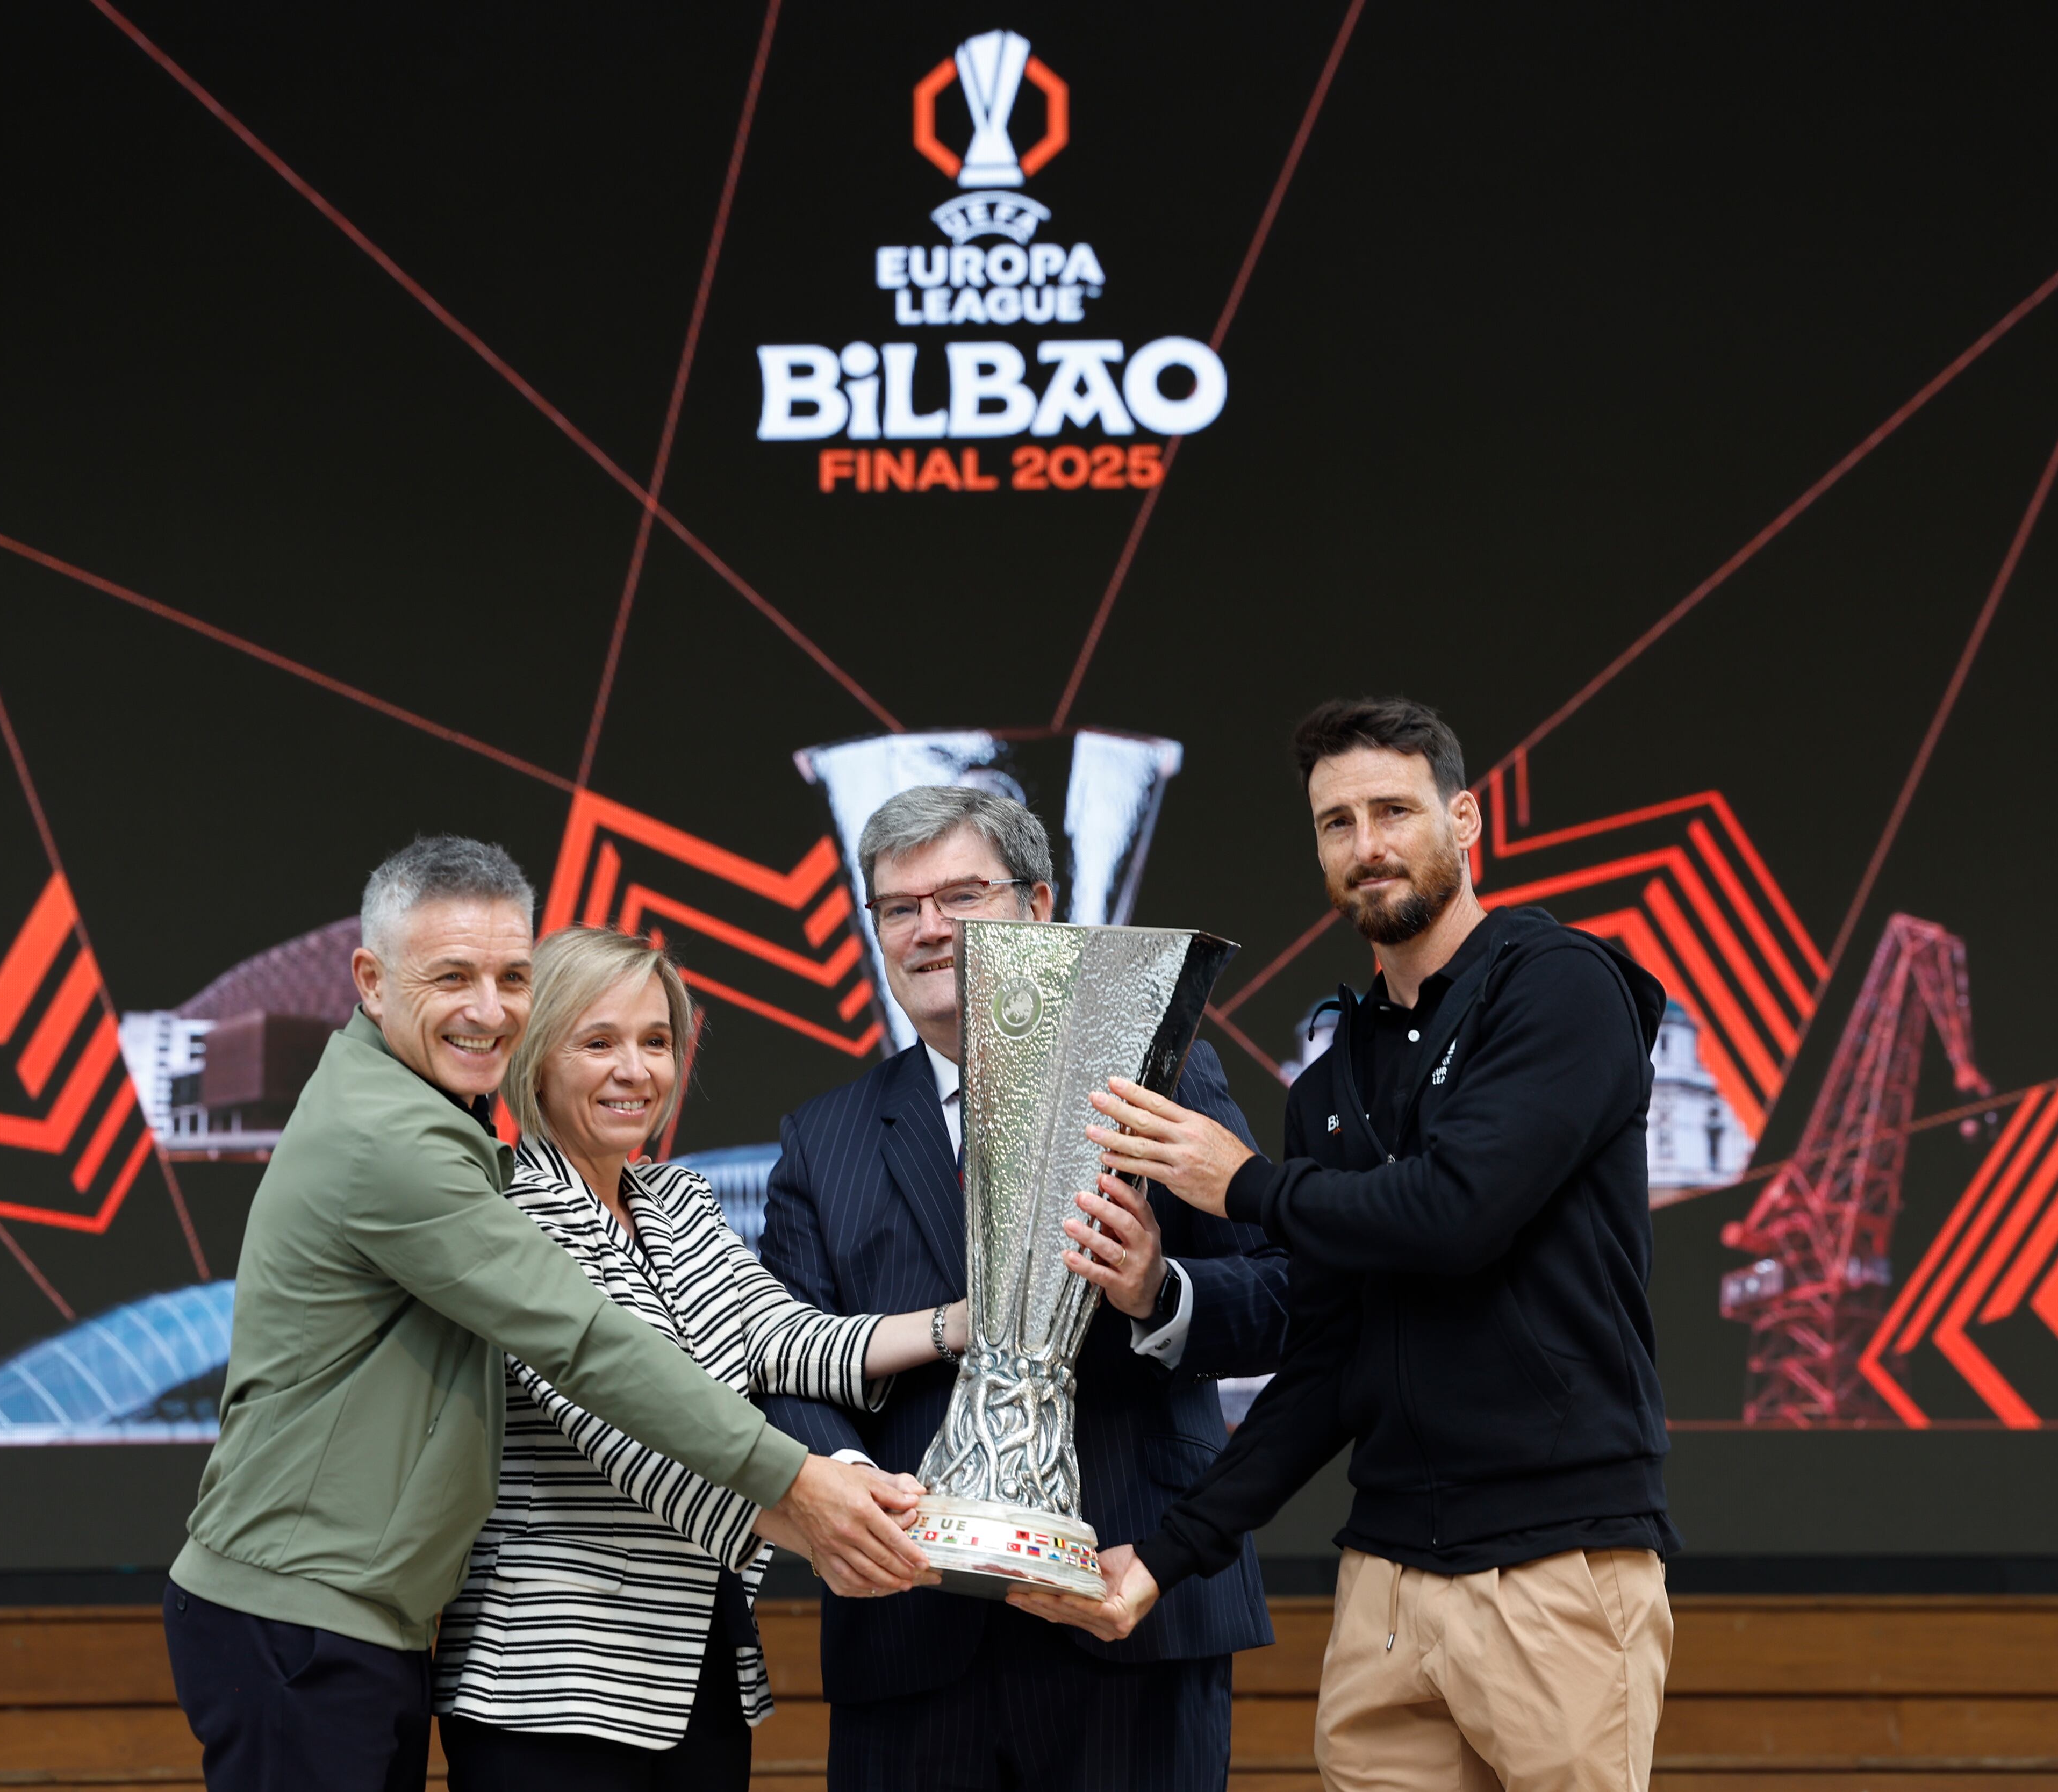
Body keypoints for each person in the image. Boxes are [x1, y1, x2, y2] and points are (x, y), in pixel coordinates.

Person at [162, 837, 932, 1792]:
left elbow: (771, 1333)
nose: (490, 1010)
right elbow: (587, 1346)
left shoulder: (442, 1115)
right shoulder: (397, 1139)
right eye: (452, 976)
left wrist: (957, 1323)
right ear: (370, 981)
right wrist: (804, 1494)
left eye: (511, 977)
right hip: (321, 1618)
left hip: (356, 1616)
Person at [1013, 698, 1680, 1792]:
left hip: (1558, 1560)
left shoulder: (1560, 984)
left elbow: (1458, 1213)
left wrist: (1243, 1184)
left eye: (1393, 809)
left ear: (1464, 819)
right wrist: (1166, 1557)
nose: (1367, 843)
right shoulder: (1327, 1086)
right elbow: (1324, 1366)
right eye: (1337, 822)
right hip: (1385, 1580)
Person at [761, 786, 1293, 1791]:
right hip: (908, 1625)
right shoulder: (823, 1137)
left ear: (1038, 905)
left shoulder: (1162, 1075)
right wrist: (852, 1493)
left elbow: (1282, 1297)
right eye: (899, 907)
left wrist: (1158, 1290)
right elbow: (783, 1356)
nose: (929, 929)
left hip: (1130, 1599)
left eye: (961, 896)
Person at [434, 927, 973, 1790]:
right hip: (553, 1692)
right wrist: (827, 1521)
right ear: (535, 1062)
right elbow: (629, 1428)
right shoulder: (503, 1215)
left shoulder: (678, 1198)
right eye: (599, 1042)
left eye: (655, 1041)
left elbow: (784, 1339)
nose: (635, 1069)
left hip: (700, 1682)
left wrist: (963, 1323)